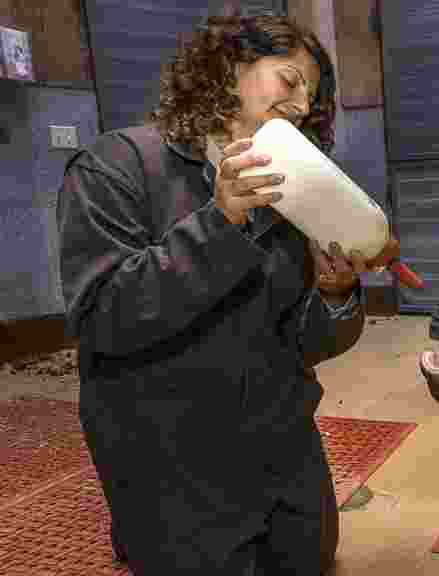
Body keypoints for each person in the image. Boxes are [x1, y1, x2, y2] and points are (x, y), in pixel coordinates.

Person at [56, 14, 398, 575]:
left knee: (308, 558)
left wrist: (335, 294)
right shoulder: (116, 166)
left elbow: (302, 344)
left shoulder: (289, 191)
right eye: (291, 80)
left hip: (278, 437)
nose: (301, 104)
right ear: (229, 66)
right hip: (170, 450)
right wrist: (220, 223)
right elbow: (103, 318)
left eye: (311, 97)